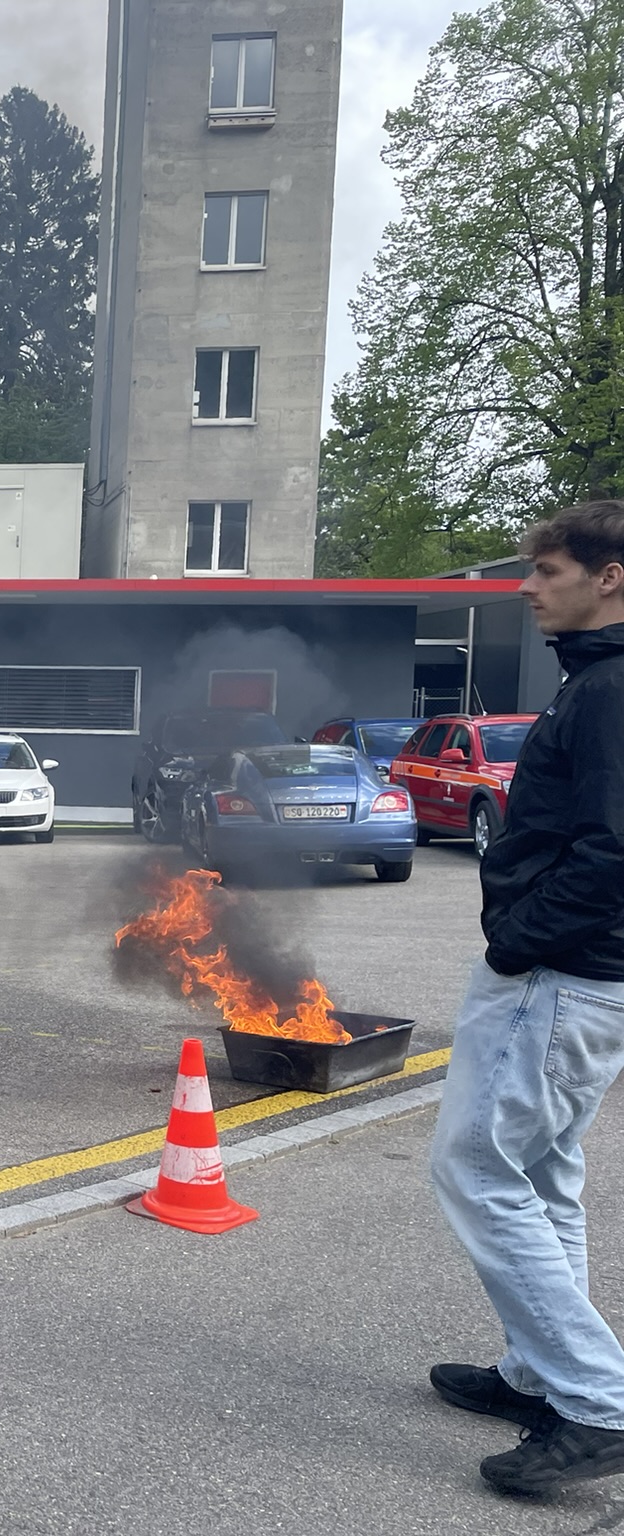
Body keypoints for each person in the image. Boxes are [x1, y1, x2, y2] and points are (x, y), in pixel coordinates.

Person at [429, 501, 624, 1495]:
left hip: (557, 976)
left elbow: (611, 852)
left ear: (609, 577)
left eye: (544, 570)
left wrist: (517, 939)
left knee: (472, 1164)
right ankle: (535, 1371)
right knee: (540, 1171)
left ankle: (593, 1403)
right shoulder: (593, 682)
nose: (524, 584)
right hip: (576, 977)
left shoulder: (606, 693)